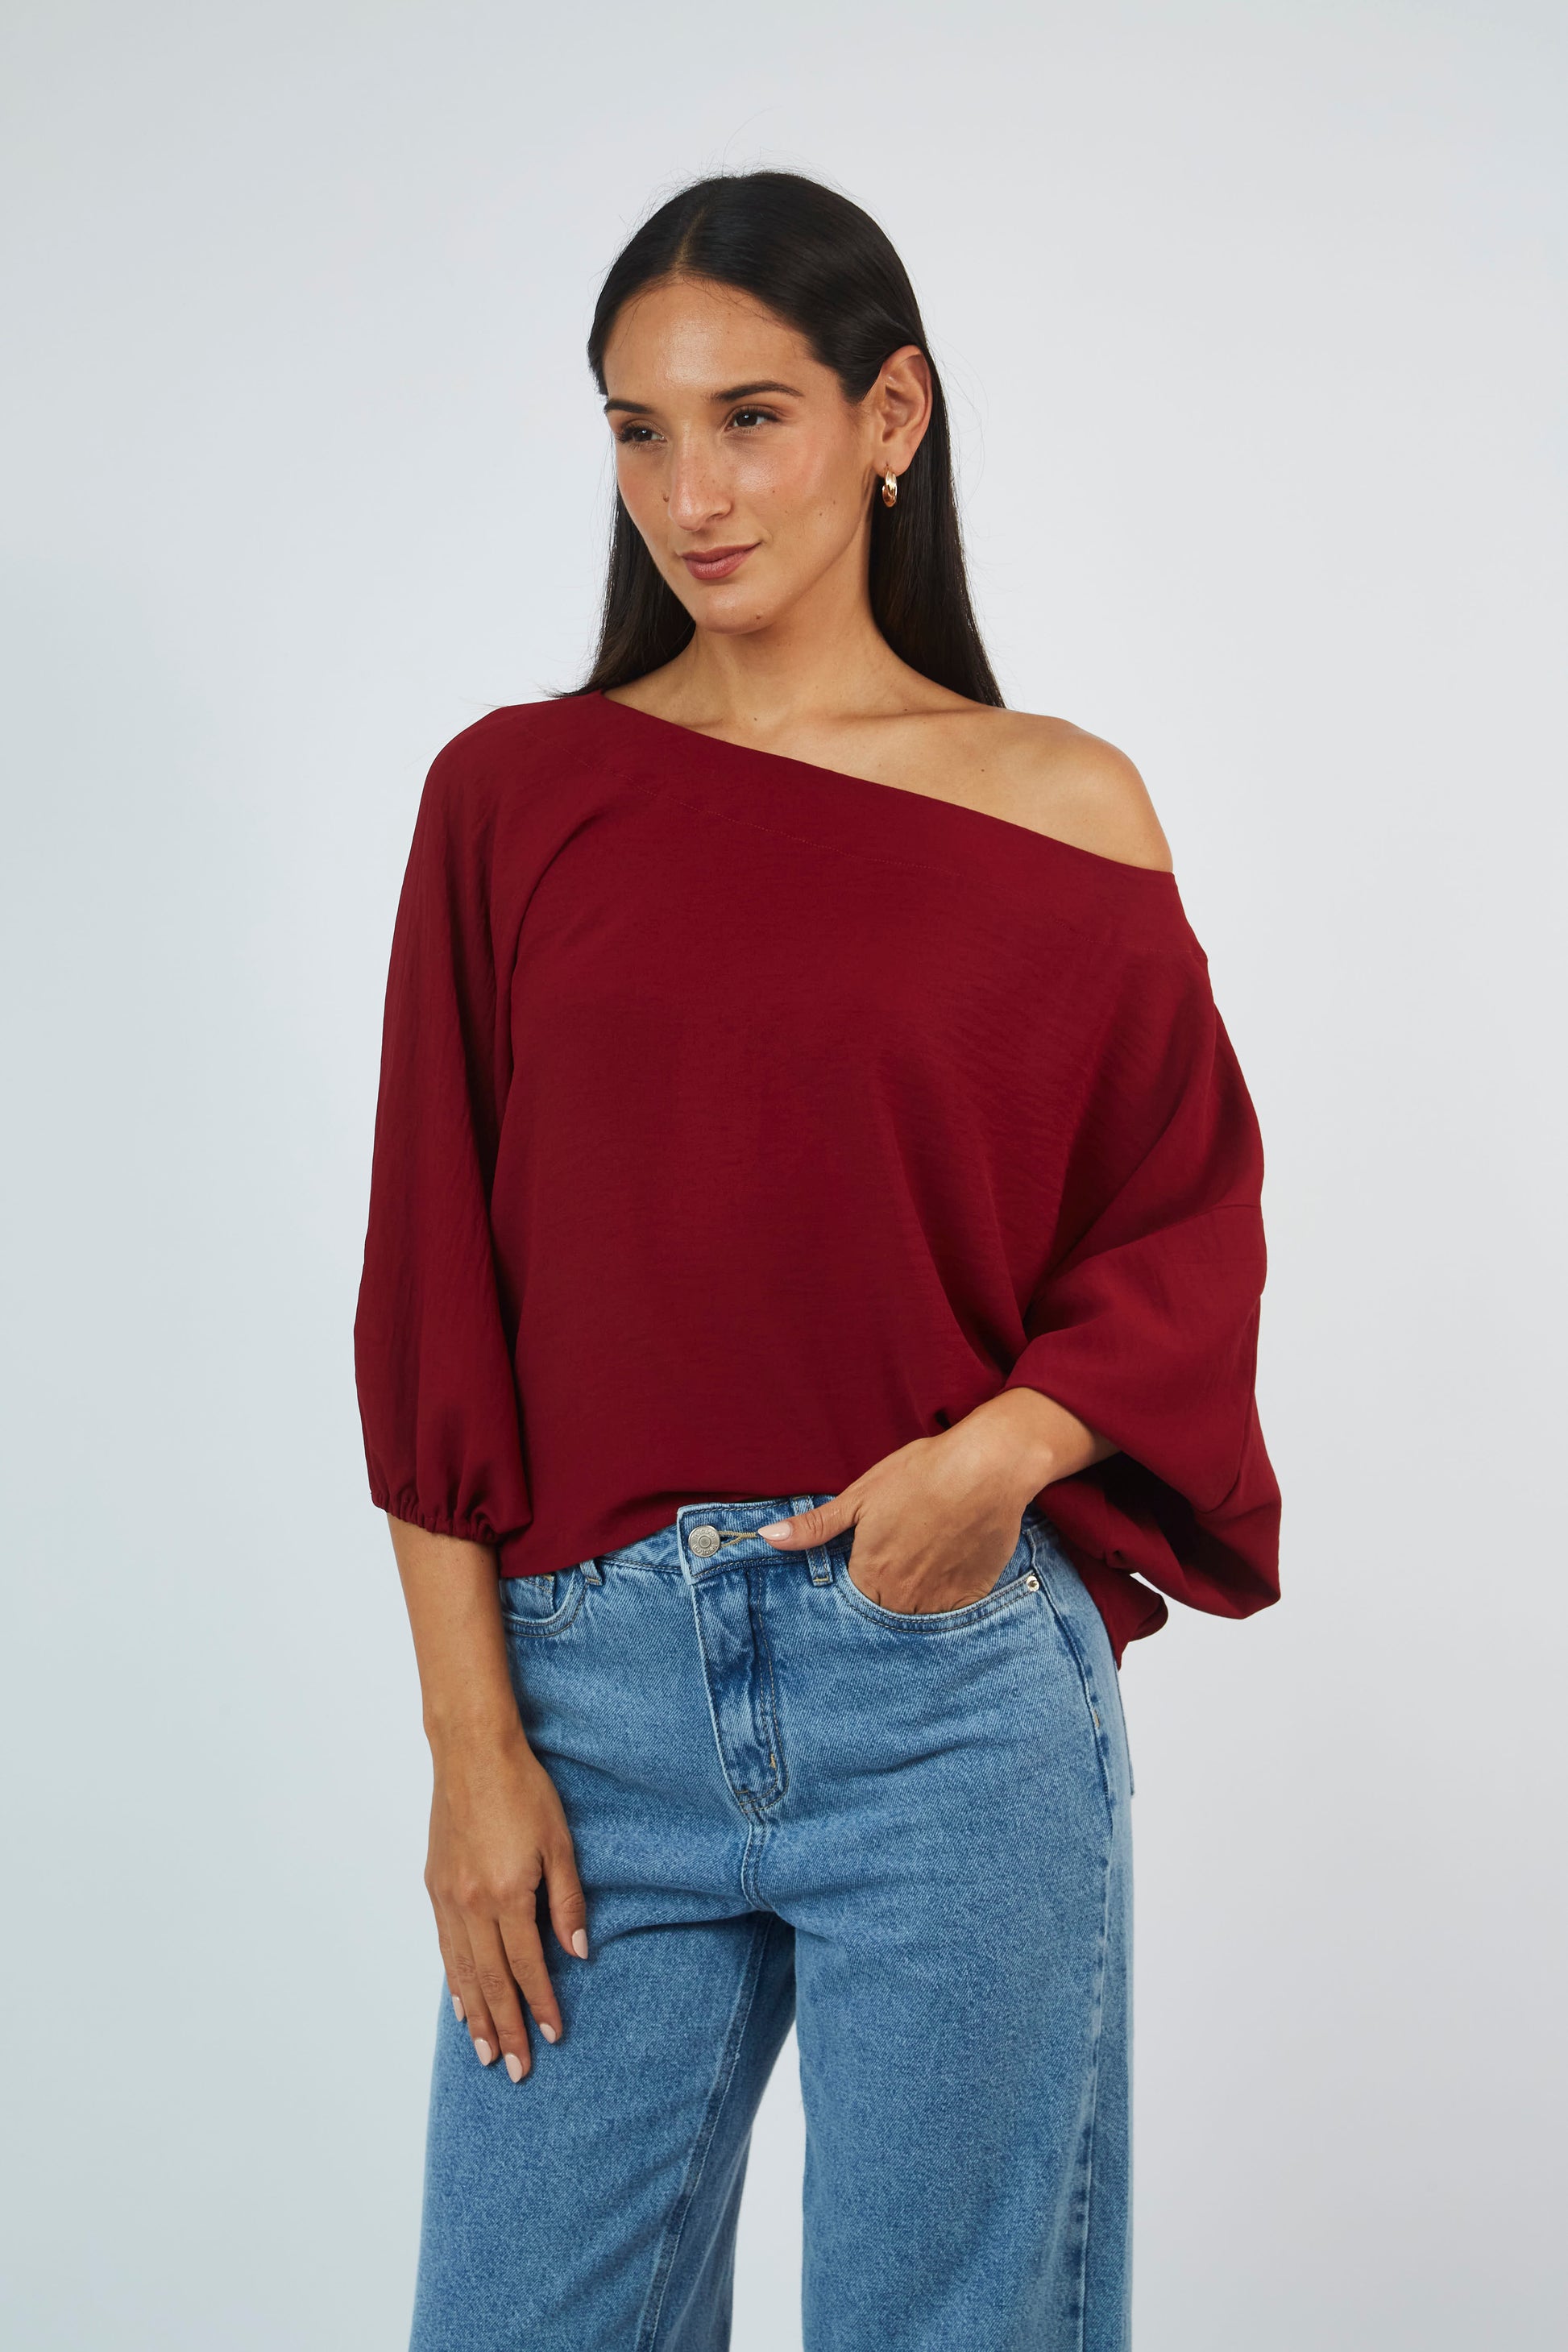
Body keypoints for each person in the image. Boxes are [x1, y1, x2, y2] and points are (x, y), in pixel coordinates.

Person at [354, 168, 1280, 2352]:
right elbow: (427, 1294)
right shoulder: (513, 797)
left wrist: (999, 1461)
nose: (690, 491)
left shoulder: (1058, 806)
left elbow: (1185, 1219)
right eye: (638, 429)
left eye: (750, 417)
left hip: (943, 1690)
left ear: (892, 417)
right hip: (584, 1707)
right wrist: (471, 1748)